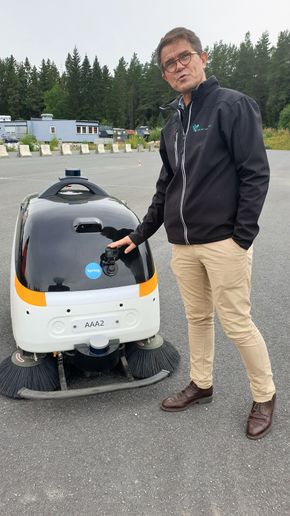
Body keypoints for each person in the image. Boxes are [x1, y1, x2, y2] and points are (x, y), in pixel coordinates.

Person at [109, 27, 276, 440]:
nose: (178, 66)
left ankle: (265, 393)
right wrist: (140, 233)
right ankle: (202, 384)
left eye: (184, 57)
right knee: (197, 319)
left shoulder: (232, 106)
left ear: (203, 58)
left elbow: (254, 173)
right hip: (184, 245)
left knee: (237, 323)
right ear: (165, 75)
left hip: (224, 244)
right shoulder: (172, 128)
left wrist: (242, 236)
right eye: (169, 64)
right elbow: (167, 186)